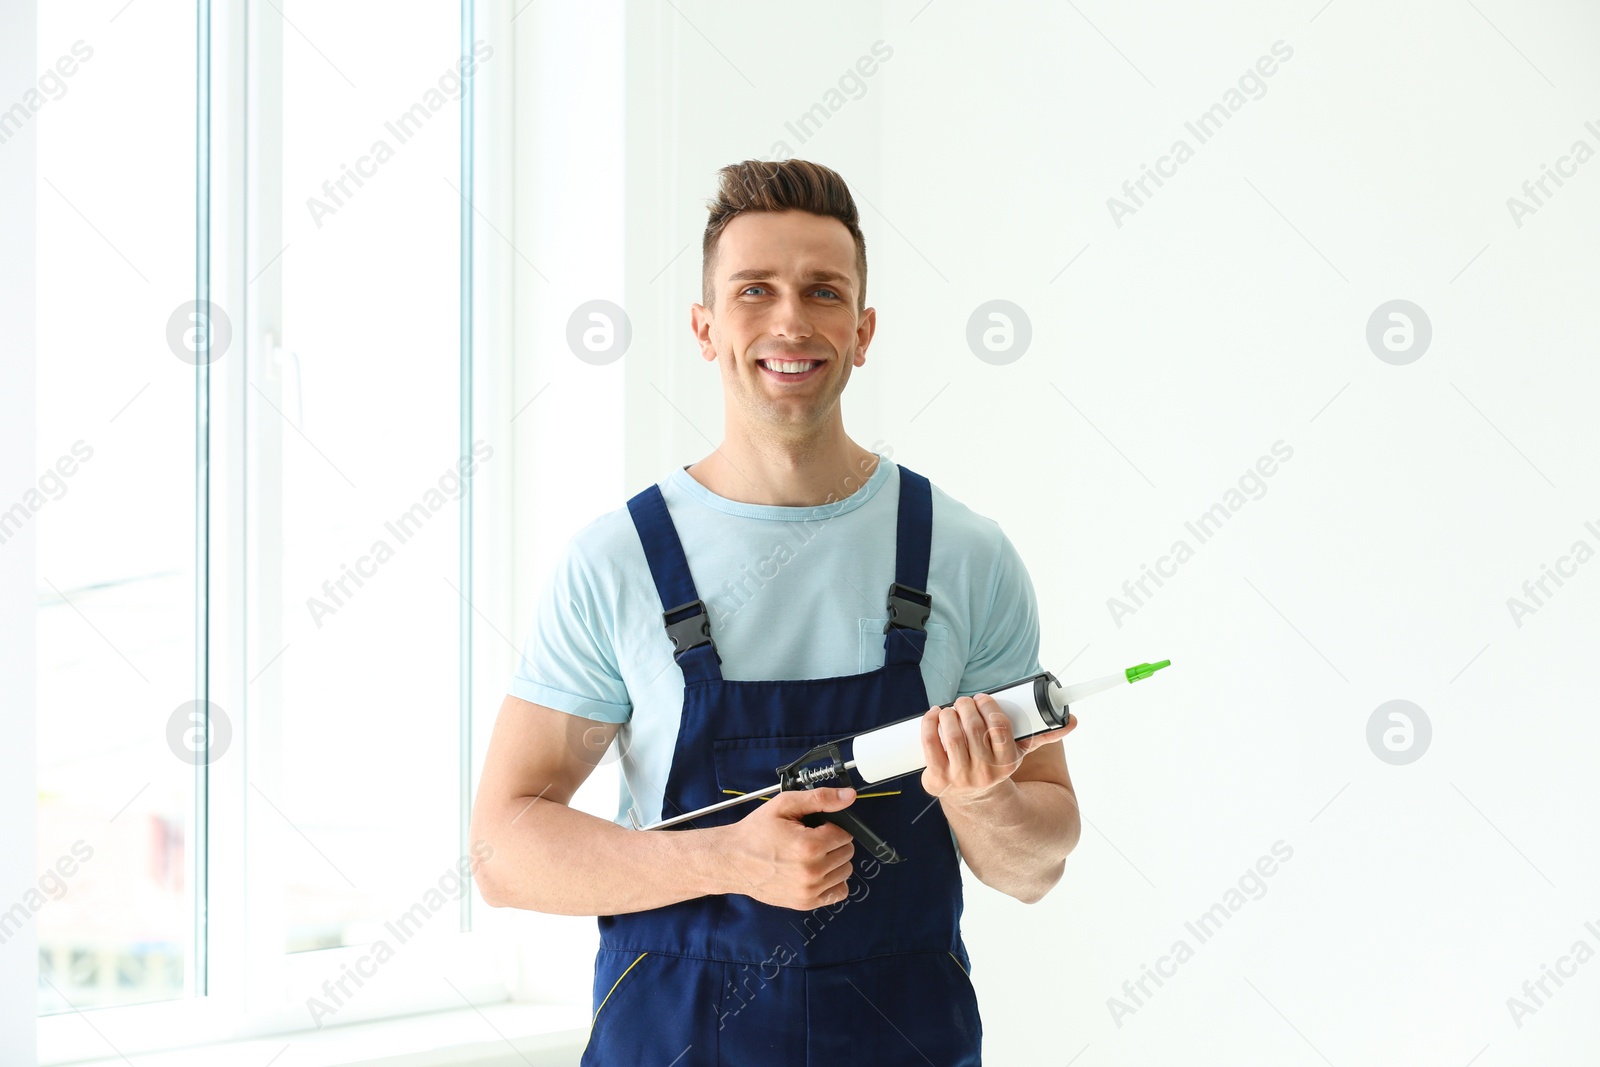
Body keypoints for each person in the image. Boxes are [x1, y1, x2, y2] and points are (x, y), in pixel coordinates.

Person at [470, 158, 1082, 1065]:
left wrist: (982, 797)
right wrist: (724, 859)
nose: (791, 320)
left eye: (823, 291)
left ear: (864, 330)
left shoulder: (965, 555)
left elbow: (1034, 866)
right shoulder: (618, 563)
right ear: (705, 326)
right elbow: (504, 851)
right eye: (754, 289)